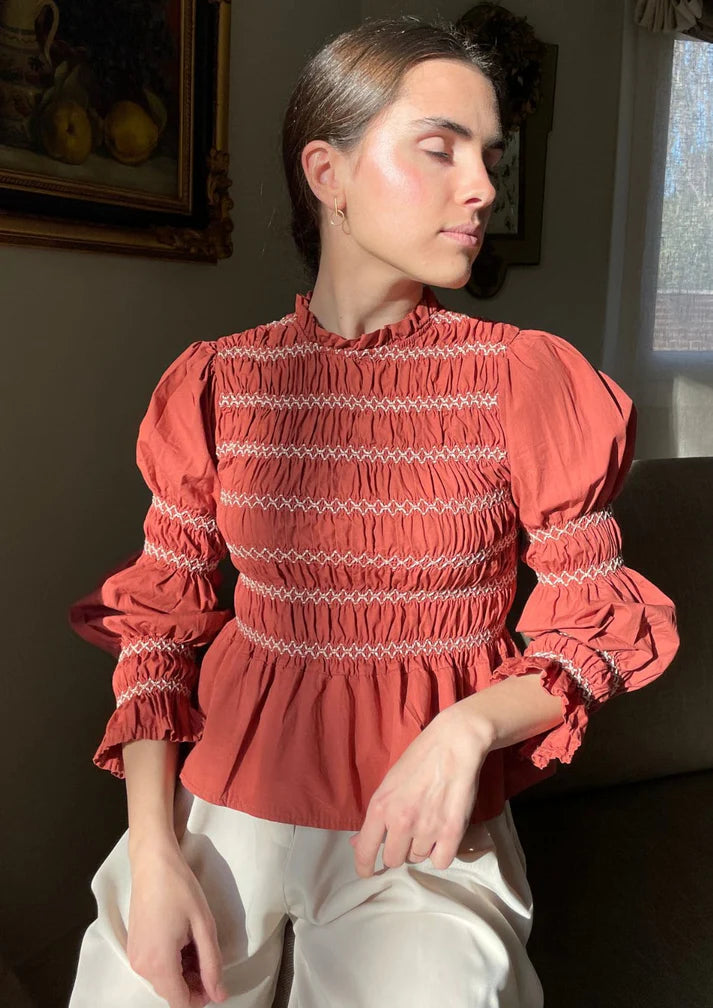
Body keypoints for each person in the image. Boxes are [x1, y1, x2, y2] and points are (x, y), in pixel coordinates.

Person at [67, 14, 680, 1008]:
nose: (480, 187)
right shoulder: (216, 382)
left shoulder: (524, 381)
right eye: (440, 149)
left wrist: (464, 728)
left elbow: (592, 625)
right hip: (219, 808)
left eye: (488, 157)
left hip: (423, 835)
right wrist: (153, 854)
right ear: (328, 173)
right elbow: (158, 627)